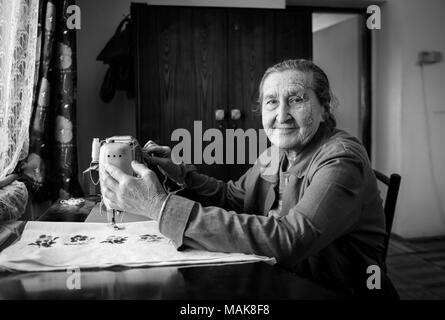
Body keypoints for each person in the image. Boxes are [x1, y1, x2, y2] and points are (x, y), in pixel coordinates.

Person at [100, 59, 398, 298]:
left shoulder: (341, 160)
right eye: (271, 102)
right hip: (283, 280)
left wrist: (158, 206)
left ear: (324, 107)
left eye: (296, 99)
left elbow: (289, 239)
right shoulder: (276, 152)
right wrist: (180, 173)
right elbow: (233, 197)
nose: (282, 115)